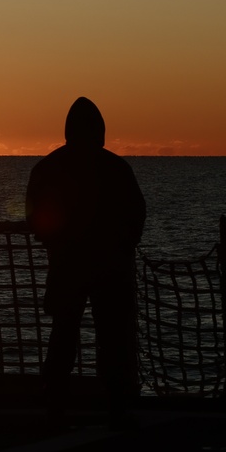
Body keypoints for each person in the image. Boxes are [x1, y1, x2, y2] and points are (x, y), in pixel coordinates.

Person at [25, 97, 145, 428]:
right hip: (111, 267)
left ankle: (55, 403)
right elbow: (136, 215)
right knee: (113, 337)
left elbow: (34, 217)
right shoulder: (117, 168)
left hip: (66, 265)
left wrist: (56, 240)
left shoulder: (47, 168)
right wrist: (121, 245)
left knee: (63, 334)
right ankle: (117, 405)